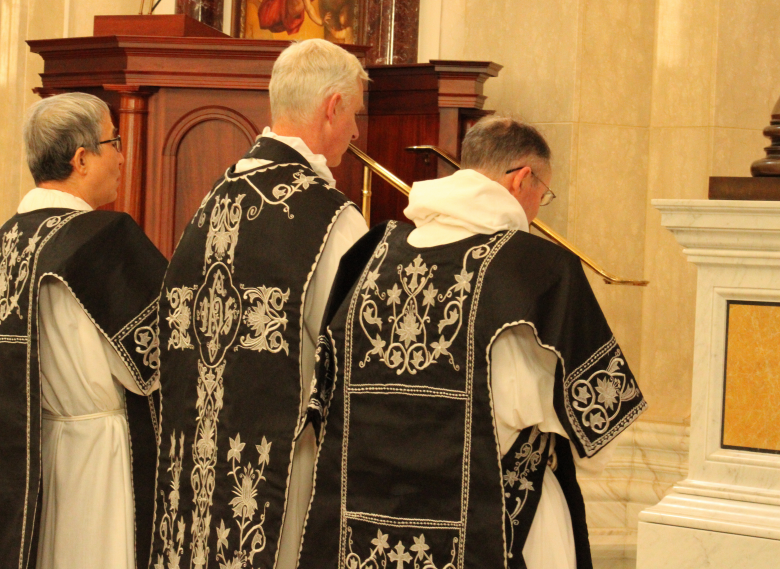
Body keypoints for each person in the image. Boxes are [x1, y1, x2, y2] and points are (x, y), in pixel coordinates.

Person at [301, 116, 648, 569]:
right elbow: (601, 436)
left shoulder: (371, 255)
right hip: (496, 529)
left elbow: (326, 400)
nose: (538, 211)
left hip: (368, 534)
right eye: (543, 195)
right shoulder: (539, 272)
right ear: (523, 178)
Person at [150, 38, 368, 569]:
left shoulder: (211, 201)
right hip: (280, 474)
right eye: (355, 115)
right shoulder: (332, 219)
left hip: (195, 471)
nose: (357, 132)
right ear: (332, 106)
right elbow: (356, 355)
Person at [0, 92, 168, 569]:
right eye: (115, 141)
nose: (123, 157)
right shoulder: (104, 240)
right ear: (81, 158)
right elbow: (164, 362)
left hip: (28, 471)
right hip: (101, 462)